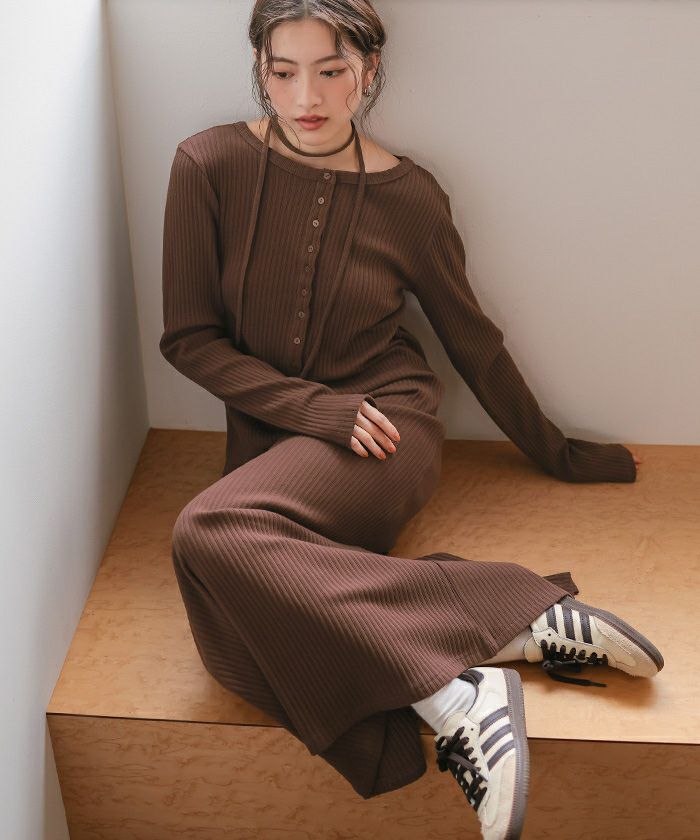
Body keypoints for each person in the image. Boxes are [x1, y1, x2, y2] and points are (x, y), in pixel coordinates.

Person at [159, 3, 663, 838]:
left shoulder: (411, 196)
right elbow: (188, 338)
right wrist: (314, 408)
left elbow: (472, 338)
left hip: (386, 428)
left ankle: (457, 690)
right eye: (282, 72)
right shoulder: (206, 164)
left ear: (369, 70)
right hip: (287, 435)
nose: (306, 97)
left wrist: (562, 453)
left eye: (331, 71)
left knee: (205, 535)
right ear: (259, 69)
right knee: (224, 606)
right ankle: (499, 638)